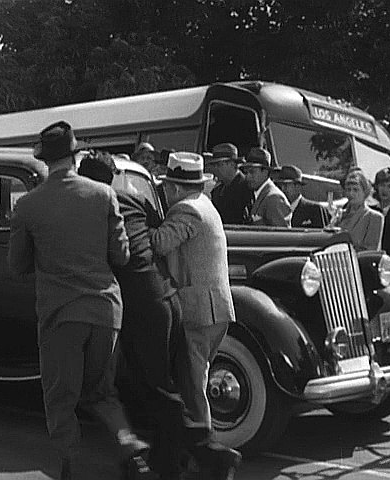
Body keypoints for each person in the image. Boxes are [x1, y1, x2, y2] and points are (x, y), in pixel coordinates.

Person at [7, 121, 152, 480]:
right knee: (102, 392)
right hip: (106, 311)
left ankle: (75, 468)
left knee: (61, 398)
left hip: (61, 315)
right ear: (74, 156)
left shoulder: (28, 205)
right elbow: (121, 255)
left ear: (45, 161)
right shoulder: (104, 195)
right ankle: (128, 442)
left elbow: (17, 265)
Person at [78, 151, 188, 480]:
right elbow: (157, 228)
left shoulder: (93, 206)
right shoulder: (133, 198)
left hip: (140, 305)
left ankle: (177, 461)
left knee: (155, 386)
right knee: (156, 381)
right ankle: (177, 453)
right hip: (166, 296)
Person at [150, 151, 242, 480]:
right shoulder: (206, 205)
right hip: (215, 308)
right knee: (196, 380)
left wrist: (138, 223)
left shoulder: (186, 209)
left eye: (167, 186)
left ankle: (208, 453)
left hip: (198, 311)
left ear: (175, 188)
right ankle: (201, 451)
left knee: (193, 385)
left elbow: (159, 243)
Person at [240, 147, 292, 227]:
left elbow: (282, 236)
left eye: (252, 172)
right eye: (246, 172)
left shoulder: (274, 198)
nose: (248, 177)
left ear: (265, 172)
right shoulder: (260, 195)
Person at [334, 169, 384, 251]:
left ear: (365, 191)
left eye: (355, 190)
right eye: (348, 189)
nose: (351, 194)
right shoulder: (339, 215)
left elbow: (371, 250)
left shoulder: (374, 217)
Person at [207, 143, 253, 224]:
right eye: (214, 165)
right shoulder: (218, 189)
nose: (215, 169)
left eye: (219, 165)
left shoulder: (245, 188)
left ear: (231, 164)